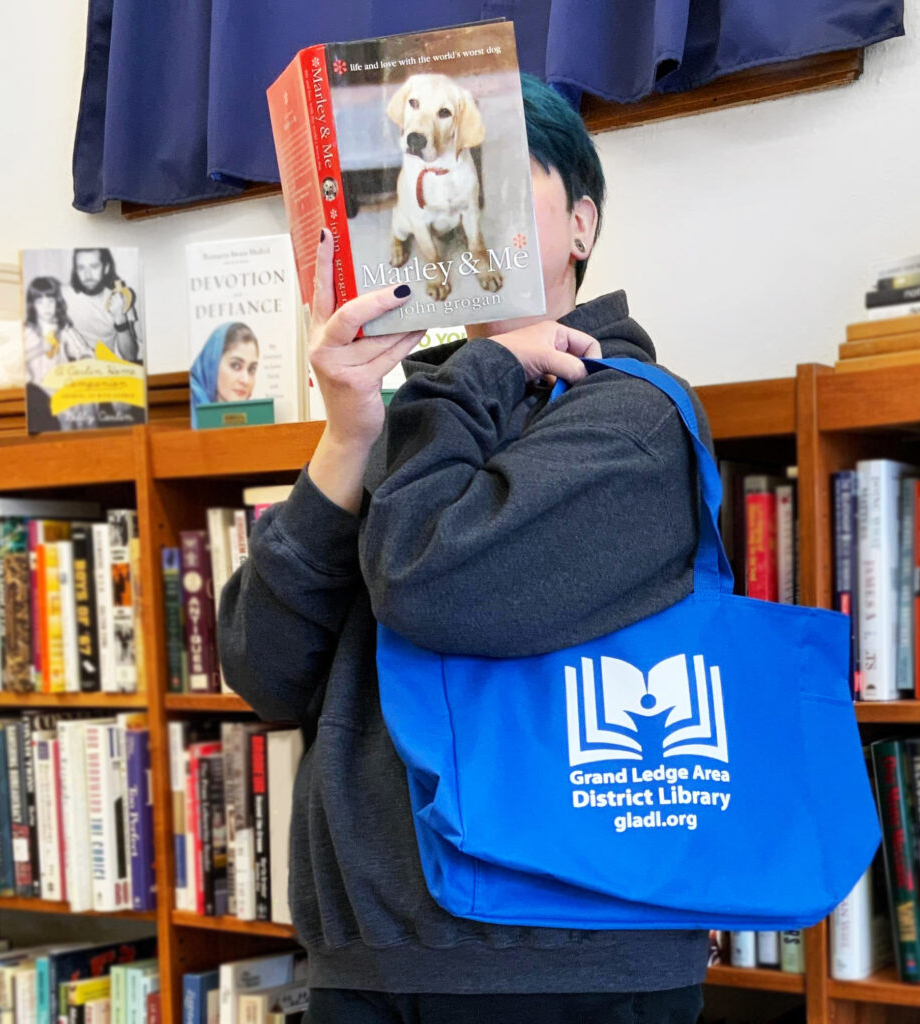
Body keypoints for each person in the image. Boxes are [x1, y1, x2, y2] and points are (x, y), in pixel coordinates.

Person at [220, 74, 711, 1024]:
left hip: (559, 970)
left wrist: (474, 366)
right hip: (374, 960)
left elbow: (432, 583)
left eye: (502, 170)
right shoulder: (418, 415)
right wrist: (348, 437)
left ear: (580, 226)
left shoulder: (632, 415)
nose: (466, 192)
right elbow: (265, 670)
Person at [23, 276, 97, 432]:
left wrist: (84, 358)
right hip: (42, 387)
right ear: (33, 306)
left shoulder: (62, 327)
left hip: (66, 382)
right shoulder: (29, 330)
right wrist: (40, 348)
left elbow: (83, 349)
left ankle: (93, 440)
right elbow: (18, 362)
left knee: (89, 403)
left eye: (50, 301)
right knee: (65, 413)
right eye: (40, 302)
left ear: (57, 302)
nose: (46, 307)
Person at [62, 247, 141, 363]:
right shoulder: (61, 295)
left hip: (105, 368)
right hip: (71, 367)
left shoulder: (121, 299)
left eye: (94, 267)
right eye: (81, 268)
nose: (87, 275)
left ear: (106, 268)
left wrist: (120, 319)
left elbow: (130, 357)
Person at [189, 322, 260, 427]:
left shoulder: (245, 416)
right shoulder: (189, 404)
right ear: (213, 363)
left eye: (251, 369)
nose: (245, 380)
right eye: (236, 365)